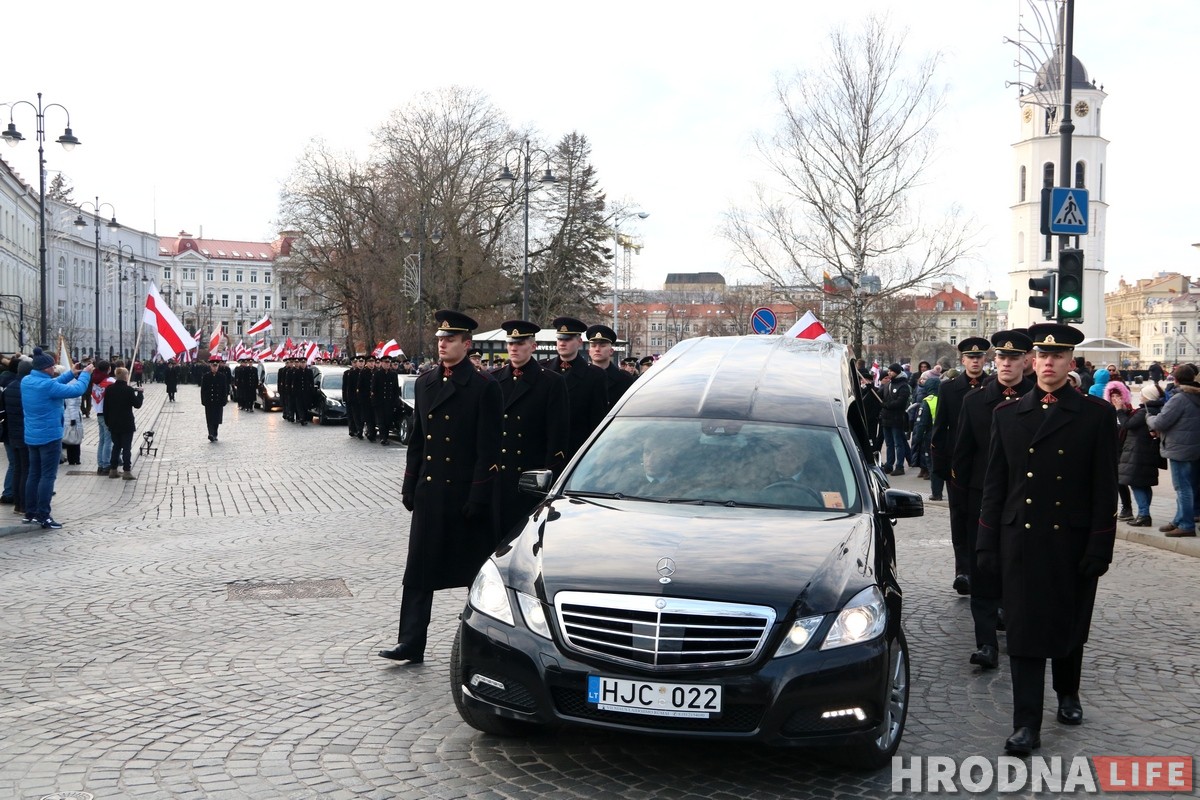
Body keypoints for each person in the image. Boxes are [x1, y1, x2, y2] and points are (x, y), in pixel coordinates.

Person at [976, 323, 1117, 756]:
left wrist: (1099, 545)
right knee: (1023, 631)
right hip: (1021, 540)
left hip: (1071, 542)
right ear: (1032, 361)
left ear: (1071, 362)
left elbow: (1104, 487)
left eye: (1058, 356)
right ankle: (1026, 724)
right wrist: (986, 542)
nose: (1049, 363)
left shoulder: (1095, 414)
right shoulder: (1008, 414)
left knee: (1069, 624)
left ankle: (1068, 693)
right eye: (1043, 356)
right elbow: (995, 485)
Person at [380, 310, 501, 664]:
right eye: (440, 339)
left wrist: (479, 495)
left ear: (467, 344)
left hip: (464, 496)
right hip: (431, 493)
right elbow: (418, 440)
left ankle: (483, 645)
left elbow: (488, 449)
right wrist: (410, 484)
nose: (442, 344)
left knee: (474, 576)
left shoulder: (484, 387)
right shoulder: (426, 383)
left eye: (450, 339)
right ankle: (410, 642)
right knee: (418, 572)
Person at [951, 330, 1034, 672]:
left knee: (1019, 567)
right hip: (982, 498)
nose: (1007, 364)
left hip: (1023, 500)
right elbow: (962, 455)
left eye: (1014, 358)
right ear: (994, 360)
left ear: (1026, 361)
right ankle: (986, 643)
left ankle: (1016, 628)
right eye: (1002, 357)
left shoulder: (1038, 400)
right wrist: (961, 501)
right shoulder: (974, 402)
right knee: (982, 568)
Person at [492, 320, 569, 535]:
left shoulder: (551, 381)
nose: (514, 348)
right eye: (511, 343)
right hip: (498, 476)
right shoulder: (494, 380)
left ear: (533, 346)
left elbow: (557, 435)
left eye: (520, 343)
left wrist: (548, 478)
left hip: (529, 478)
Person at [931, 337, 990, 595]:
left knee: (984, 518)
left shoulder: (993, 387)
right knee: (960, 518)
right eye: (970, 357)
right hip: (957, 465)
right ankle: (963, 571)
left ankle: (983, 569)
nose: (975, 361)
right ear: (963, 360)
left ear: (985, 359)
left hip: (986, 464)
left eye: (979, 357)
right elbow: (940, 429)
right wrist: (941, 467)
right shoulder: (949, 389)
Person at [21, 348, 93, 529]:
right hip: (50, 437)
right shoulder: (47, 386)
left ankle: (30, 513)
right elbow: (78, 389)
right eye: (52, 366)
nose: (54, 369)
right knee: (47, 476)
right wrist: (85, 374)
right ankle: (43, 515)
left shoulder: (27, 381)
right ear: (45, 368)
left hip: (32, 436)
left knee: (33, 474)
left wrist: (71, 373)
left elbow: (52, 384)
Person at [1146, 364, 1200, 537]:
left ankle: (1186, 525)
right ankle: (1178, 520)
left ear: (1175, 379)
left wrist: (1149, 417)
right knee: (1189, 486)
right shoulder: (1196, 396)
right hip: (1194, 447)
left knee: (1182, 488)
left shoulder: (1179, 399)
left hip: (1180, 448)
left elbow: (1160, 422)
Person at [544, 316, 608, 460]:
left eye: (567, 339)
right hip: (545, 448)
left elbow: (597, 418)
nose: (562, 343)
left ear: (579, 342)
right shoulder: (543, 369)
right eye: (560, 339)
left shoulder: (594, 375)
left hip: (576, 448)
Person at [1119, 382, 1164, 527]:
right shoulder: (1157, 409)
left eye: (1143, 394)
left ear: (1148, 396)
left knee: (1136, 483)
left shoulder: (1145, 411)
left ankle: (1144, 515)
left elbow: (1127, 425)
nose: (1141, 397)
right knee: (1144, 484)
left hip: (1138, 452)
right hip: (1147, 452)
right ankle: (1144, 514)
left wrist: (1119, 411)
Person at [103, 367, 144, 479]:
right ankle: (126, 471)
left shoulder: (109, 389)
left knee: (116, 447)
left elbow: (105, 407)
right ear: (126, 376)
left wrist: (108, 422)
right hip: (126, 423)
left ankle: (113, 470)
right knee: (126, 448)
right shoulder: (128, 390)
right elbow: (137, 404)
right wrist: (140, 393)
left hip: (113, 423)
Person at [3, 358, 31, 517]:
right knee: (26, 468)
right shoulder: (25, 388)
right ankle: (24, 505)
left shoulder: (10, 387)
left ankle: (17, 503)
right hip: (25, 433)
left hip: (11, 432)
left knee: (17, 468)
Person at [585, 324, 635, 408]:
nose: (597, 349)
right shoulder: (582, 377)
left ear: (611, 351)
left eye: (602, 345)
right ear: (589, 351)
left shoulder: (624, 379)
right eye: (593, 346)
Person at [878, 363, 911, 476]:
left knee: (898, 443)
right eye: (888, 371)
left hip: (897, 419)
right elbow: (879, 395)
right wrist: (869, 388)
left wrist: (887, 405)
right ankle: (889, 465)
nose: (889, 373)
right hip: (886, 418)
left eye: (891, 371)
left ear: (897, 372)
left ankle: (900, 466)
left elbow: (901, 402)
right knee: (889, 443)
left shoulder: (903, 386)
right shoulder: (888, 384)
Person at [89, 360, 115, 475]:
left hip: (98, 413)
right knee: (108, 441)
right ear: (109, 369)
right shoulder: (110, 381)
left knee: (102, 440)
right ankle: (106, 465)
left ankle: (100, 464)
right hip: (108, 413)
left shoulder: (95, 381)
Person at [200, 355, 231, 442]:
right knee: (209, 419)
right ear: (210, 366)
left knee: (216, 419)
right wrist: (203, 400)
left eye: (216, 366)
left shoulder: (222, 376)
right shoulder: (206, 376)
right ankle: (210, 433)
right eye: (213, 366)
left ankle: (215, 433)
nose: (215, 368)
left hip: (218, 401)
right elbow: (203, 390)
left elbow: (224, 390)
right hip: (209, 401)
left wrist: (224, 400)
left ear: (218, 366)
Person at [371, 356, 401, 445]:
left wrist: (396, 401)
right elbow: (373, 389)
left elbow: (396, 389)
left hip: (389, 403)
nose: (387, 364)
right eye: (385, 362)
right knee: (381, 421)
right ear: (382, 363)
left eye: (388, 362)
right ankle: (383, 438)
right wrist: (374, 401)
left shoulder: (393, 374)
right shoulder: (377, 374)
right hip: (379, 402)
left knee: (388, 421)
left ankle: (386, 437)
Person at [61, 367, 84, 466]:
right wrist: (73, 419)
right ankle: (75, 459)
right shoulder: (74, 386)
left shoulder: (71, 384)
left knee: (72, 438)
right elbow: (72, 405)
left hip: (70, 415)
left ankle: (73, 459)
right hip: (72, 416)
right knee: (74, 438)